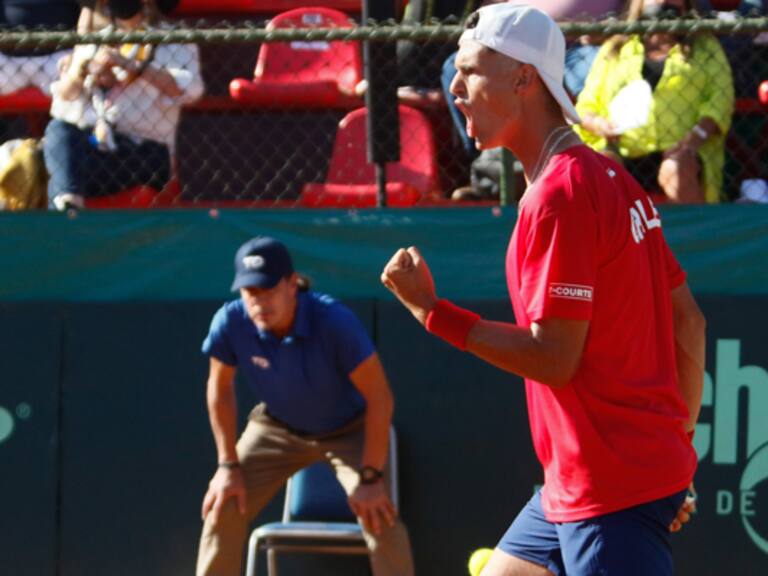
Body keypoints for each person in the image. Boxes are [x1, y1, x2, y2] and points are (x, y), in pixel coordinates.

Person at [381, 4, 704, 575]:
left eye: (471, 70)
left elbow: (554, 359)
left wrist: (433, 312)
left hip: (608, 490)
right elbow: (690, 323)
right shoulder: (610, 176)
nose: (454, 87)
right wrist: (670, 453)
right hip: (585, 484)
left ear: (523, 78)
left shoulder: (561, 194)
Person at [196, 236, 414, 576]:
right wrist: (228, 466)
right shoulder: (230, 322)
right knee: (223, 504)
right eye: (250, 292)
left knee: (380, 517)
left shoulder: (333, 321)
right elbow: (219, 388)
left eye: (267, 290)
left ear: (292, 284)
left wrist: (370, 476)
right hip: (276, 427)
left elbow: (380, 396)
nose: (259, 302)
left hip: (348, 430)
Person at [42, 0, 202, 210]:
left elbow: (190, 90)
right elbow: (61, 104)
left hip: (143, 151)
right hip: (93, 147)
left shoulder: (174, 39)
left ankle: (66, 218)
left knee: (61, 169)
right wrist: (81, 71)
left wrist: (130, 66)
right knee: (58, 133)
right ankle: (70, 208)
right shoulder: (99, 38)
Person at [574, 0, 734, 203]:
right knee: (605, 167)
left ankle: (690, 233)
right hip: (623, 149)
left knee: (675, 168)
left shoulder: (704, 47)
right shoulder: (615, 47)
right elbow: (585, 106)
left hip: (683, 150)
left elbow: (721, 101)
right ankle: (614, 234)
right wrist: (599, 125)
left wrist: (691, 142)